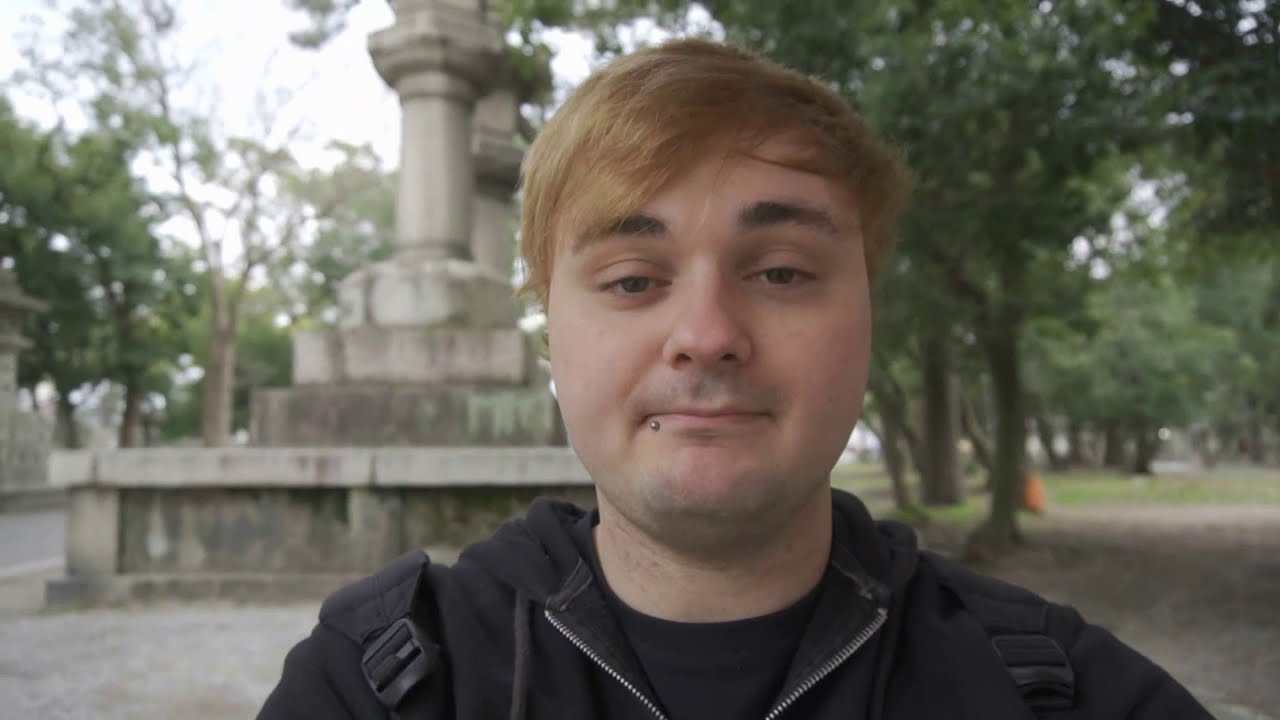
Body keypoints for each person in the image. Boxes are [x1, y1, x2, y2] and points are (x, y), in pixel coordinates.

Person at [258, 39, 1210, 719]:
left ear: (868, 315)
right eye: (633, 281)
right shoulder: (379, 684)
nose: (706, 337)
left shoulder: (1056, 689)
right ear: (552, 336)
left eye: (782, 272)